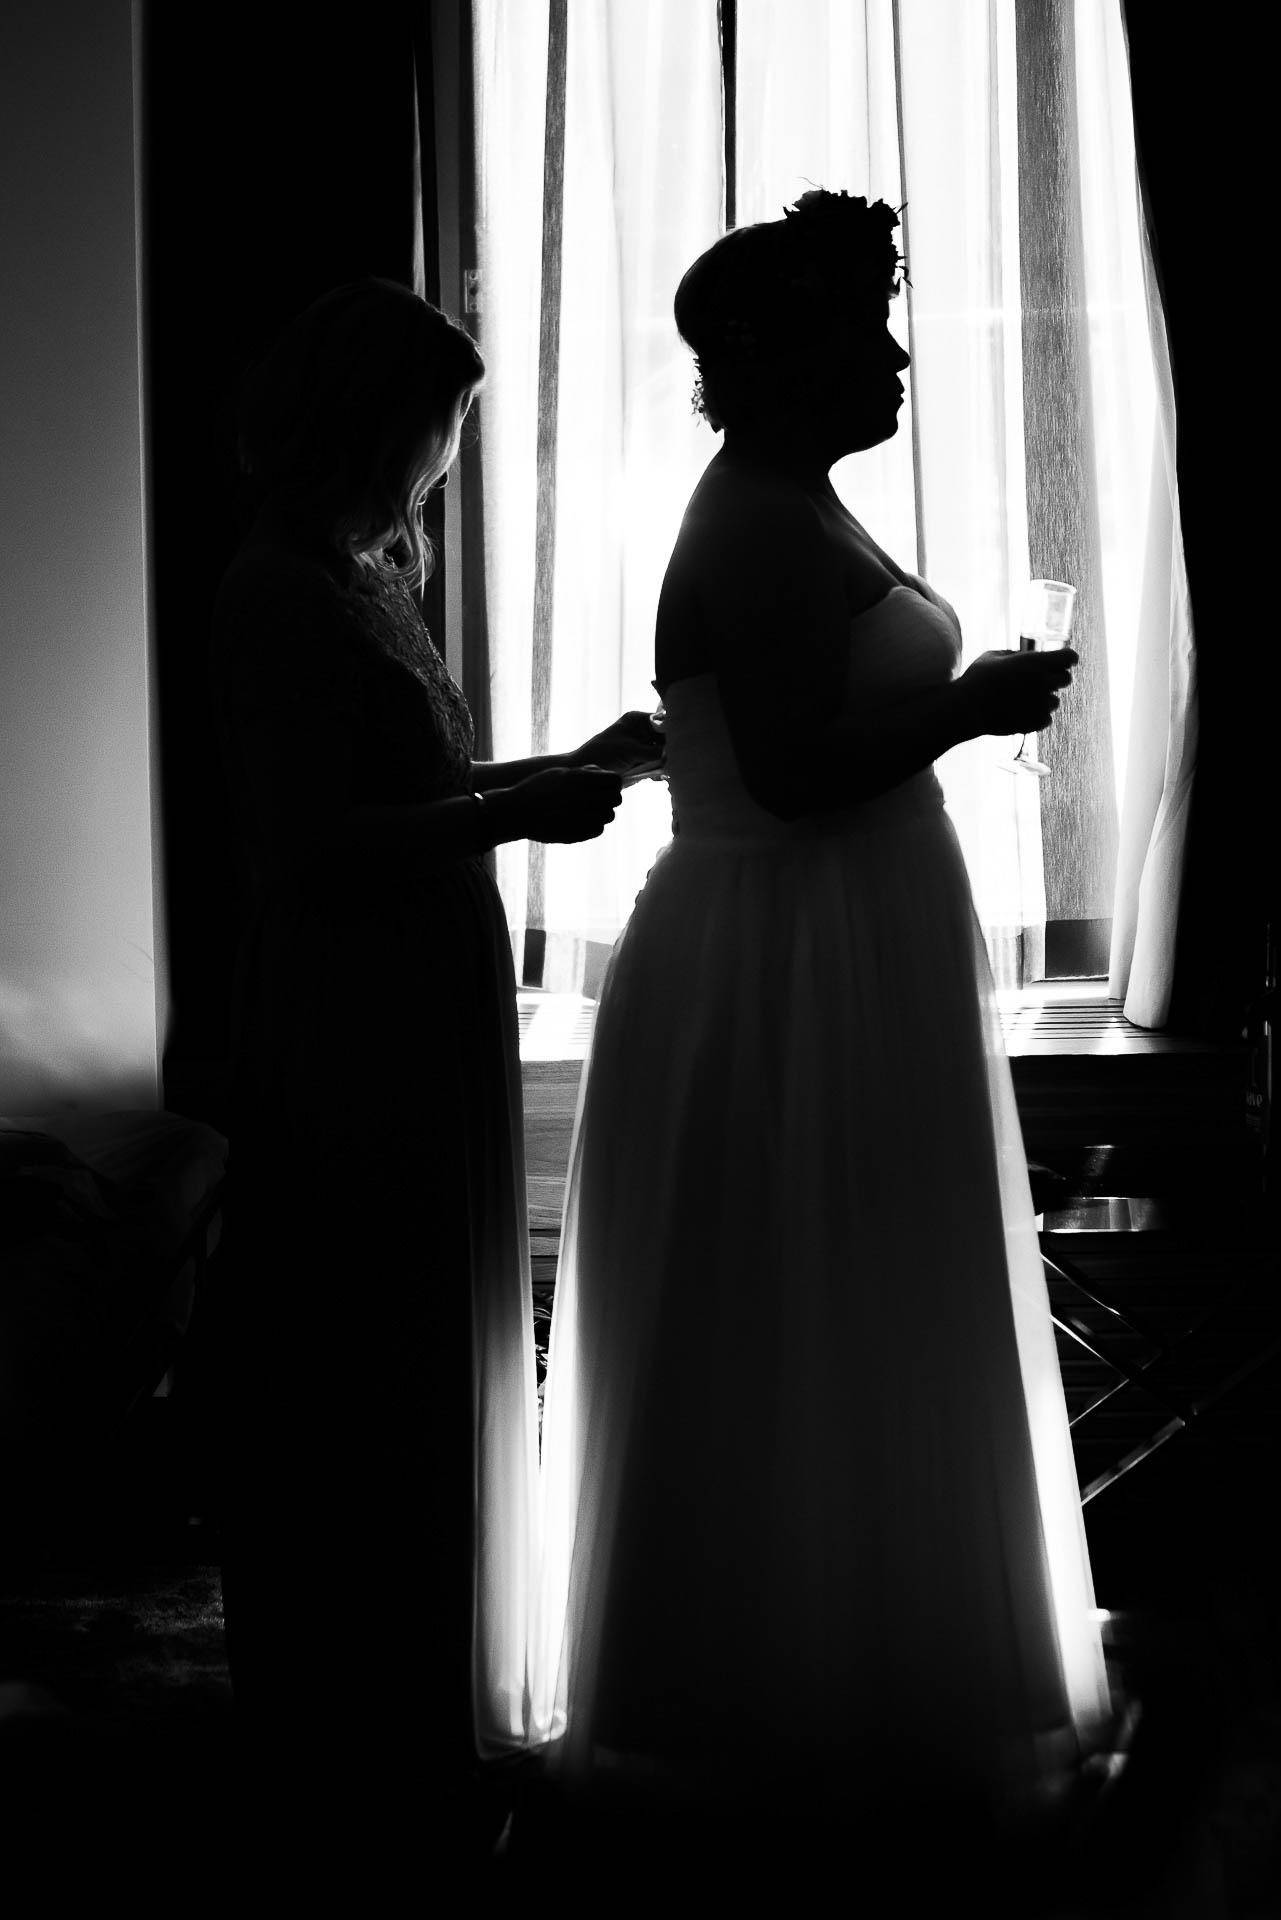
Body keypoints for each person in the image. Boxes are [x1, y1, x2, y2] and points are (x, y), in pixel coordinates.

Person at [530, 192, 1115, 1892]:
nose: (900, 359)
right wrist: (969, 706)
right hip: (786, 966)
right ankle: (783, 1717)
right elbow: (789, 778)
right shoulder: (758, 528)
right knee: (798, 1311)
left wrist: (946, 709)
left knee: (856, 1310)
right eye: (866, 335)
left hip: (834, 946)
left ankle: (877, 1680)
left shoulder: (793, 504)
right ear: (785, 364)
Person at [206, 277, 662, 1881]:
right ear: (368, 421)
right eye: (442, 421)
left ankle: (417, 1698)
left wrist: (565, 765)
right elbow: (304, 844)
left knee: (422, 1339)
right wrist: (511, 819)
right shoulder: (275, 594)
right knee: (368, 1349)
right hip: (349, 1002)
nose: (451, 454)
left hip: (422, 979)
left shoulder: (369, 574)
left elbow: (412, 777)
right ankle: (354, 1735)